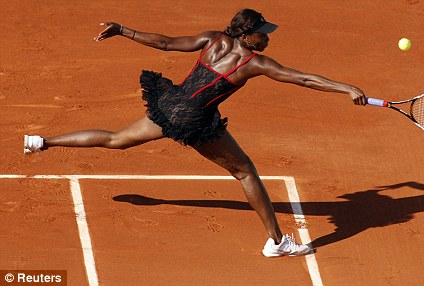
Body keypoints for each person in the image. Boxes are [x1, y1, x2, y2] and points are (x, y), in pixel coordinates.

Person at [24, 9, 366, 257]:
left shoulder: (212, 39)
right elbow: (304, 79)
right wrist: (346, 87)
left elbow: (165, 43)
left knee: (116, 139)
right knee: (244, 171)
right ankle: (276, 243)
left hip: (170, 104)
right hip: (194, 118)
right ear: (247, 35)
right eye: (263, 32)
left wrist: (124, 31)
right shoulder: (256, 63)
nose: (268, 37)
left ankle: (41, 142)